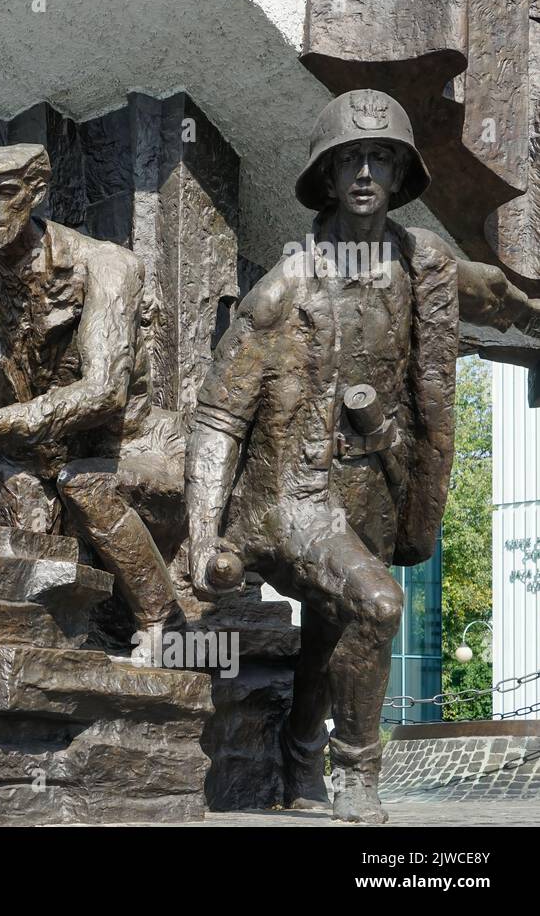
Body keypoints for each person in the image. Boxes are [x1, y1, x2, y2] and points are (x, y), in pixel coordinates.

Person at [186, 89, 540, 822]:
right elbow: (219, 414)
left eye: (382, 157)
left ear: (403, 175)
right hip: (294, 493)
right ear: (325, 176)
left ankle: (298, 764)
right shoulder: (285, 286)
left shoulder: (424, 263)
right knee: (377, 605)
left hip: (378, 484)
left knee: (333, 629)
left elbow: (490, 294)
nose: (366, 172)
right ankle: (357, 773)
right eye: (349, 158)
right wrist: (200, 536)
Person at [0, 143, 186, 655]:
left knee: (84, 486)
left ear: (36, 192)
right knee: (26, 614)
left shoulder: (106, 266)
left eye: (5, 193)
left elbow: (104, 393)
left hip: (124, 456)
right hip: (23, 469)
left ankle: (163, 622)